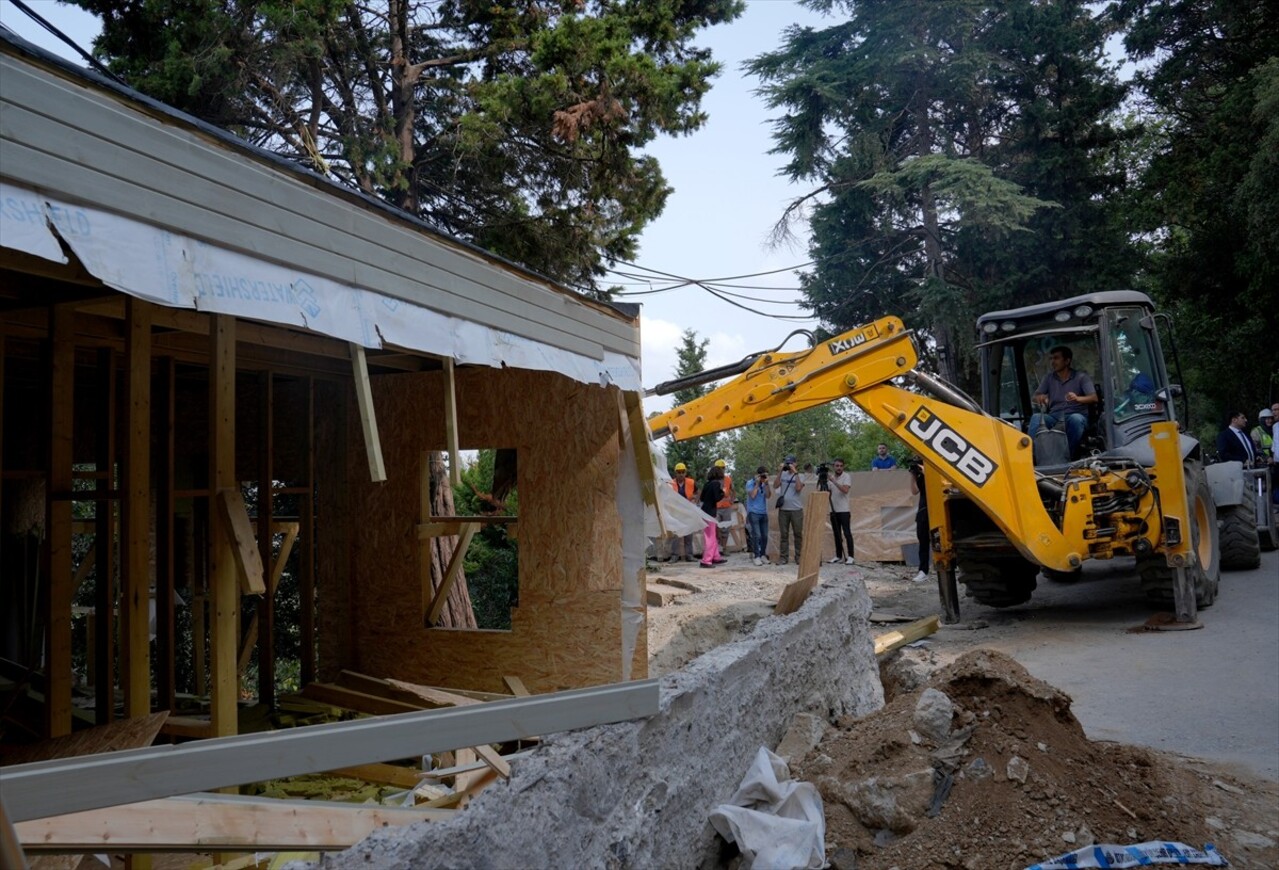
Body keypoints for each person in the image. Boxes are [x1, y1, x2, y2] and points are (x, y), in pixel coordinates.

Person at [1029, 345, 1097, 457]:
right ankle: (1029, 454)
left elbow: (1093, 397)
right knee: (1036, 417)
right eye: (1051, 359)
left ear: (1067, 361)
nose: (1052, 362)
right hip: (1054, 416)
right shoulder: (1049, 378)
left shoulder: (1081, 377)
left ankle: (1066, 456)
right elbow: (1035, 396)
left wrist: (1077, 398)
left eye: (1056, 358)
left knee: (1076, 419)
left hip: (1076, 414)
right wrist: (1041, 398)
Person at [774, 455, 805, 564]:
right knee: (784, 534)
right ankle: (783, 557)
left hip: (796, 509)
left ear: (795, 464)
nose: (789, 465)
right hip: (783, 509)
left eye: (791, 463)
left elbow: (798, 488)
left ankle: (799, 557)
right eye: (787, 463)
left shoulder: (801, 476)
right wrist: (780, 471)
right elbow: (775, 485)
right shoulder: (782, 474)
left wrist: (795, 472)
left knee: (798, 534)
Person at [826, 458, 855, 565]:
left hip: (844, 510)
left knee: (847, 533)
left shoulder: (846, 476)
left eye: (840, 466)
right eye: (837, 466)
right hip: (833, 510)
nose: (839, 468)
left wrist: (834, 481)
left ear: (843, 467)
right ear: (834, 466)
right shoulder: (830, 478)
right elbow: (827, 492)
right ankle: (838, 556)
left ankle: (851, 556)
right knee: (836, 534)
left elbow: (845, 490)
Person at [697, 466, 728, 568]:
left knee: (712, 536)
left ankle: (715, 556)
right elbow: (717, 498)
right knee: (710, 537)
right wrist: (723, 492)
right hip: (711, 513)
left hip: (705, 512)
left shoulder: (707, 484)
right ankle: (706, 560)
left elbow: (701, 497)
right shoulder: (716, 484)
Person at [668, 462, 697, 562]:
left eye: (683, 472)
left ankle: (689, 555)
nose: (681, 474)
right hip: (676, 512)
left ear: (685, 472)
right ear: (675, 473)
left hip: (688, 511)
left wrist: (695, 501)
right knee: (676, 534)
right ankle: (674, 556)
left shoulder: (691, 482)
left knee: (688, 534)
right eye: (679, 472)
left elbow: (697, 493)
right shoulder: (670, 483)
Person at [907, 457, 930, 583]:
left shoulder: (932, 470)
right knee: (922, 539)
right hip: (923, 508)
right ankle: (923, 571)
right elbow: (914, 491)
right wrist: (913, 476)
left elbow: (933, 484)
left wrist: (924, 470)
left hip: (935, 506)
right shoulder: (919, 475)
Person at [745, 465, 772, 567]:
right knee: (757, 535)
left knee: (764, 535)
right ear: (758, 475)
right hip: (753, 512)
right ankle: (756, 556)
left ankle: (763, 554)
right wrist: (756, 484)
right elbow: (752, 495)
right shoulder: (750, 483)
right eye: (762, 476)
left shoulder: (764, 484)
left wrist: (767, 484)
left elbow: (769, 495)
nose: (763, 478)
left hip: (763, 512)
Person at [713, 459, 734, 551]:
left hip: (726, 507)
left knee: (726, 528)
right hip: (716, 507)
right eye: (720, 468)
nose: (722, 470)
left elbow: (733, 491)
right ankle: (717, 548)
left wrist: (732, 500)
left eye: (723, 468)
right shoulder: (712, 480)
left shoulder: (728, 479)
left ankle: (724, 548)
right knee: (716, 528)